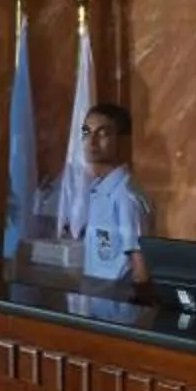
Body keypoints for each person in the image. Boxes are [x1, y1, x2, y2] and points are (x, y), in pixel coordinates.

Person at [69, 102, 149, 287]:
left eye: (103, 133)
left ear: (122, 140)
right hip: (96, 302)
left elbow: (140, 268)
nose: (92, 141)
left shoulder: (125, 194)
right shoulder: (98, 188)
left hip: (117, 306)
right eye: (87, 133)